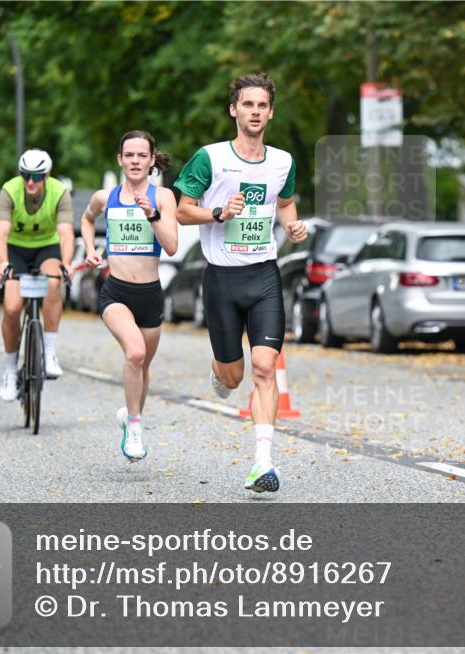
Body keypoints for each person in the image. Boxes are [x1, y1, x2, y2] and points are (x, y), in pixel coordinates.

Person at [174, 72, 307, 493]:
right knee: (233, 377)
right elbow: (181, 211)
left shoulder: (283, 161)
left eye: (262, 105)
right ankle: (219, 371)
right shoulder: (210, 158)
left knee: (265, 366)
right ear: (234, 109)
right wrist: (217, 213)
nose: (255, 112)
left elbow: (284, 203)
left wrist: (293, 225)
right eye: (247, 104)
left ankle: (262, 464)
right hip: (222, 279)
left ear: (270, 112)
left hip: (264, 274)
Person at [82, 131, 178, 461]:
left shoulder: (163, 197)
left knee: (144, 366)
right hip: (116, 291)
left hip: (150, 293)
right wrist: (89, 247)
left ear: (152, 160)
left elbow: (172, 246)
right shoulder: (104, 196)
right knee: (135, 353)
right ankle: (136, 426)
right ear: (120, 160)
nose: (135, 161)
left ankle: (129, 415)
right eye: (129, 155)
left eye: (142, 155)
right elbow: (87, 217)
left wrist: (152, 213)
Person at [0, 149, 75, 401]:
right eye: (26, 175)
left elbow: (65, 234)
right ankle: (9, 371)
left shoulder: (59, 192)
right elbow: (1, 233)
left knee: (53, 282)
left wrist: (68, 263)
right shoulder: (9, 191)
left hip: (46, 247)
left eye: (37, 177)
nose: (30, 182)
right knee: (11, 308)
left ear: (47, 176)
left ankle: (49, 352)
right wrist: (3, 262)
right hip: (15, 249)